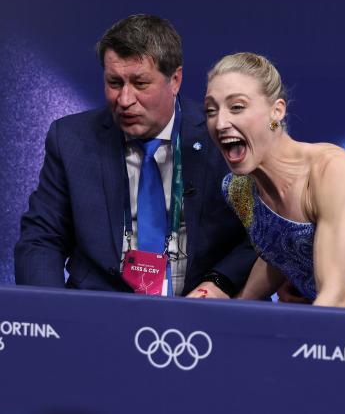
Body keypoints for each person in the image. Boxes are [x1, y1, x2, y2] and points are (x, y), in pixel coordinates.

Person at [14, 15, 255, 298]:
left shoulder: (220, 137)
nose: (125, 99)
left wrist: (219, 282)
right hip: (98, 308)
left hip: (197, 313)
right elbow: (41, 238)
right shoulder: (70, 139)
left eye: (140, 83)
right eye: (114, 83)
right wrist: (51, 315)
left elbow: (256, 236)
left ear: (175, 80)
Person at [204, 52, 345, 309]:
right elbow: (282, 251)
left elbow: (334, 298)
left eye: (237, 107)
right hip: (319, 325)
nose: (220, 122)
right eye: (211, 110)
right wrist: (235, 310)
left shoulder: (331, 171)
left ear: (276, 111)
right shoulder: (237, 189)